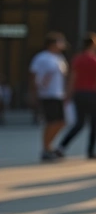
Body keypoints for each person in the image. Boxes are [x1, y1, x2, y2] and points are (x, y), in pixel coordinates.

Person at [57, 32, 96, 160]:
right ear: (94, 45)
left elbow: (72, 78)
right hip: (92, 93)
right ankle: (91, 151)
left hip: (79, 93)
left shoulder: (77, 59)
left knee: (79, 123)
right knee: (94, 123)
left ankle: (61, 146)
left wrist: (68, 94)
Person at [30, 32, 69, 162]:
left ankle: (49, 146)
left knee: (61, 122)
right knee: (51, 121)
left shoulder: (59, 58)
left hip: (58, 94)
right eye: (60, 42)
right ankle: (46, 149)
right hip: (47, 95)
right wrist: (34, 93)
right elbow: (33, 75)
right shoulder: (42, 58)